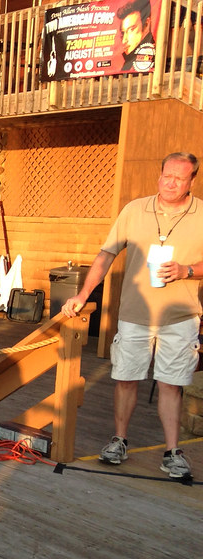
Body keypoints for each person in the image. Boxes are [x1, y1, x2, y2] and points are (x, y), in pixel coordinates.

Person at [62, 152, 202, 478]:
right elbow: (105, 255)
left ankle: (172, 452)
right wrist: (83, 295)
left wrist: (187, 269)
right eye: (166, 175)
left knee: (170, 385)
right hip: (134, 315)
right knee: (125, 379)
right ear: (160, 174)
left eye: (179, 178)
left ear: (191, 181)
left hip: (180, 316)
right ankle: (119, 440)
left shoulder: (201, 213)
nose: (171, 182)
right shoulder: (134, 210)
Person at [118, 1, 155, 72]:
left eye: (131, 30)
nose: (124, 40)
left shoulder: (152, 56)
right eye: (123, 33)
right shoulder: (128, 62)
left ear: (147, 24)